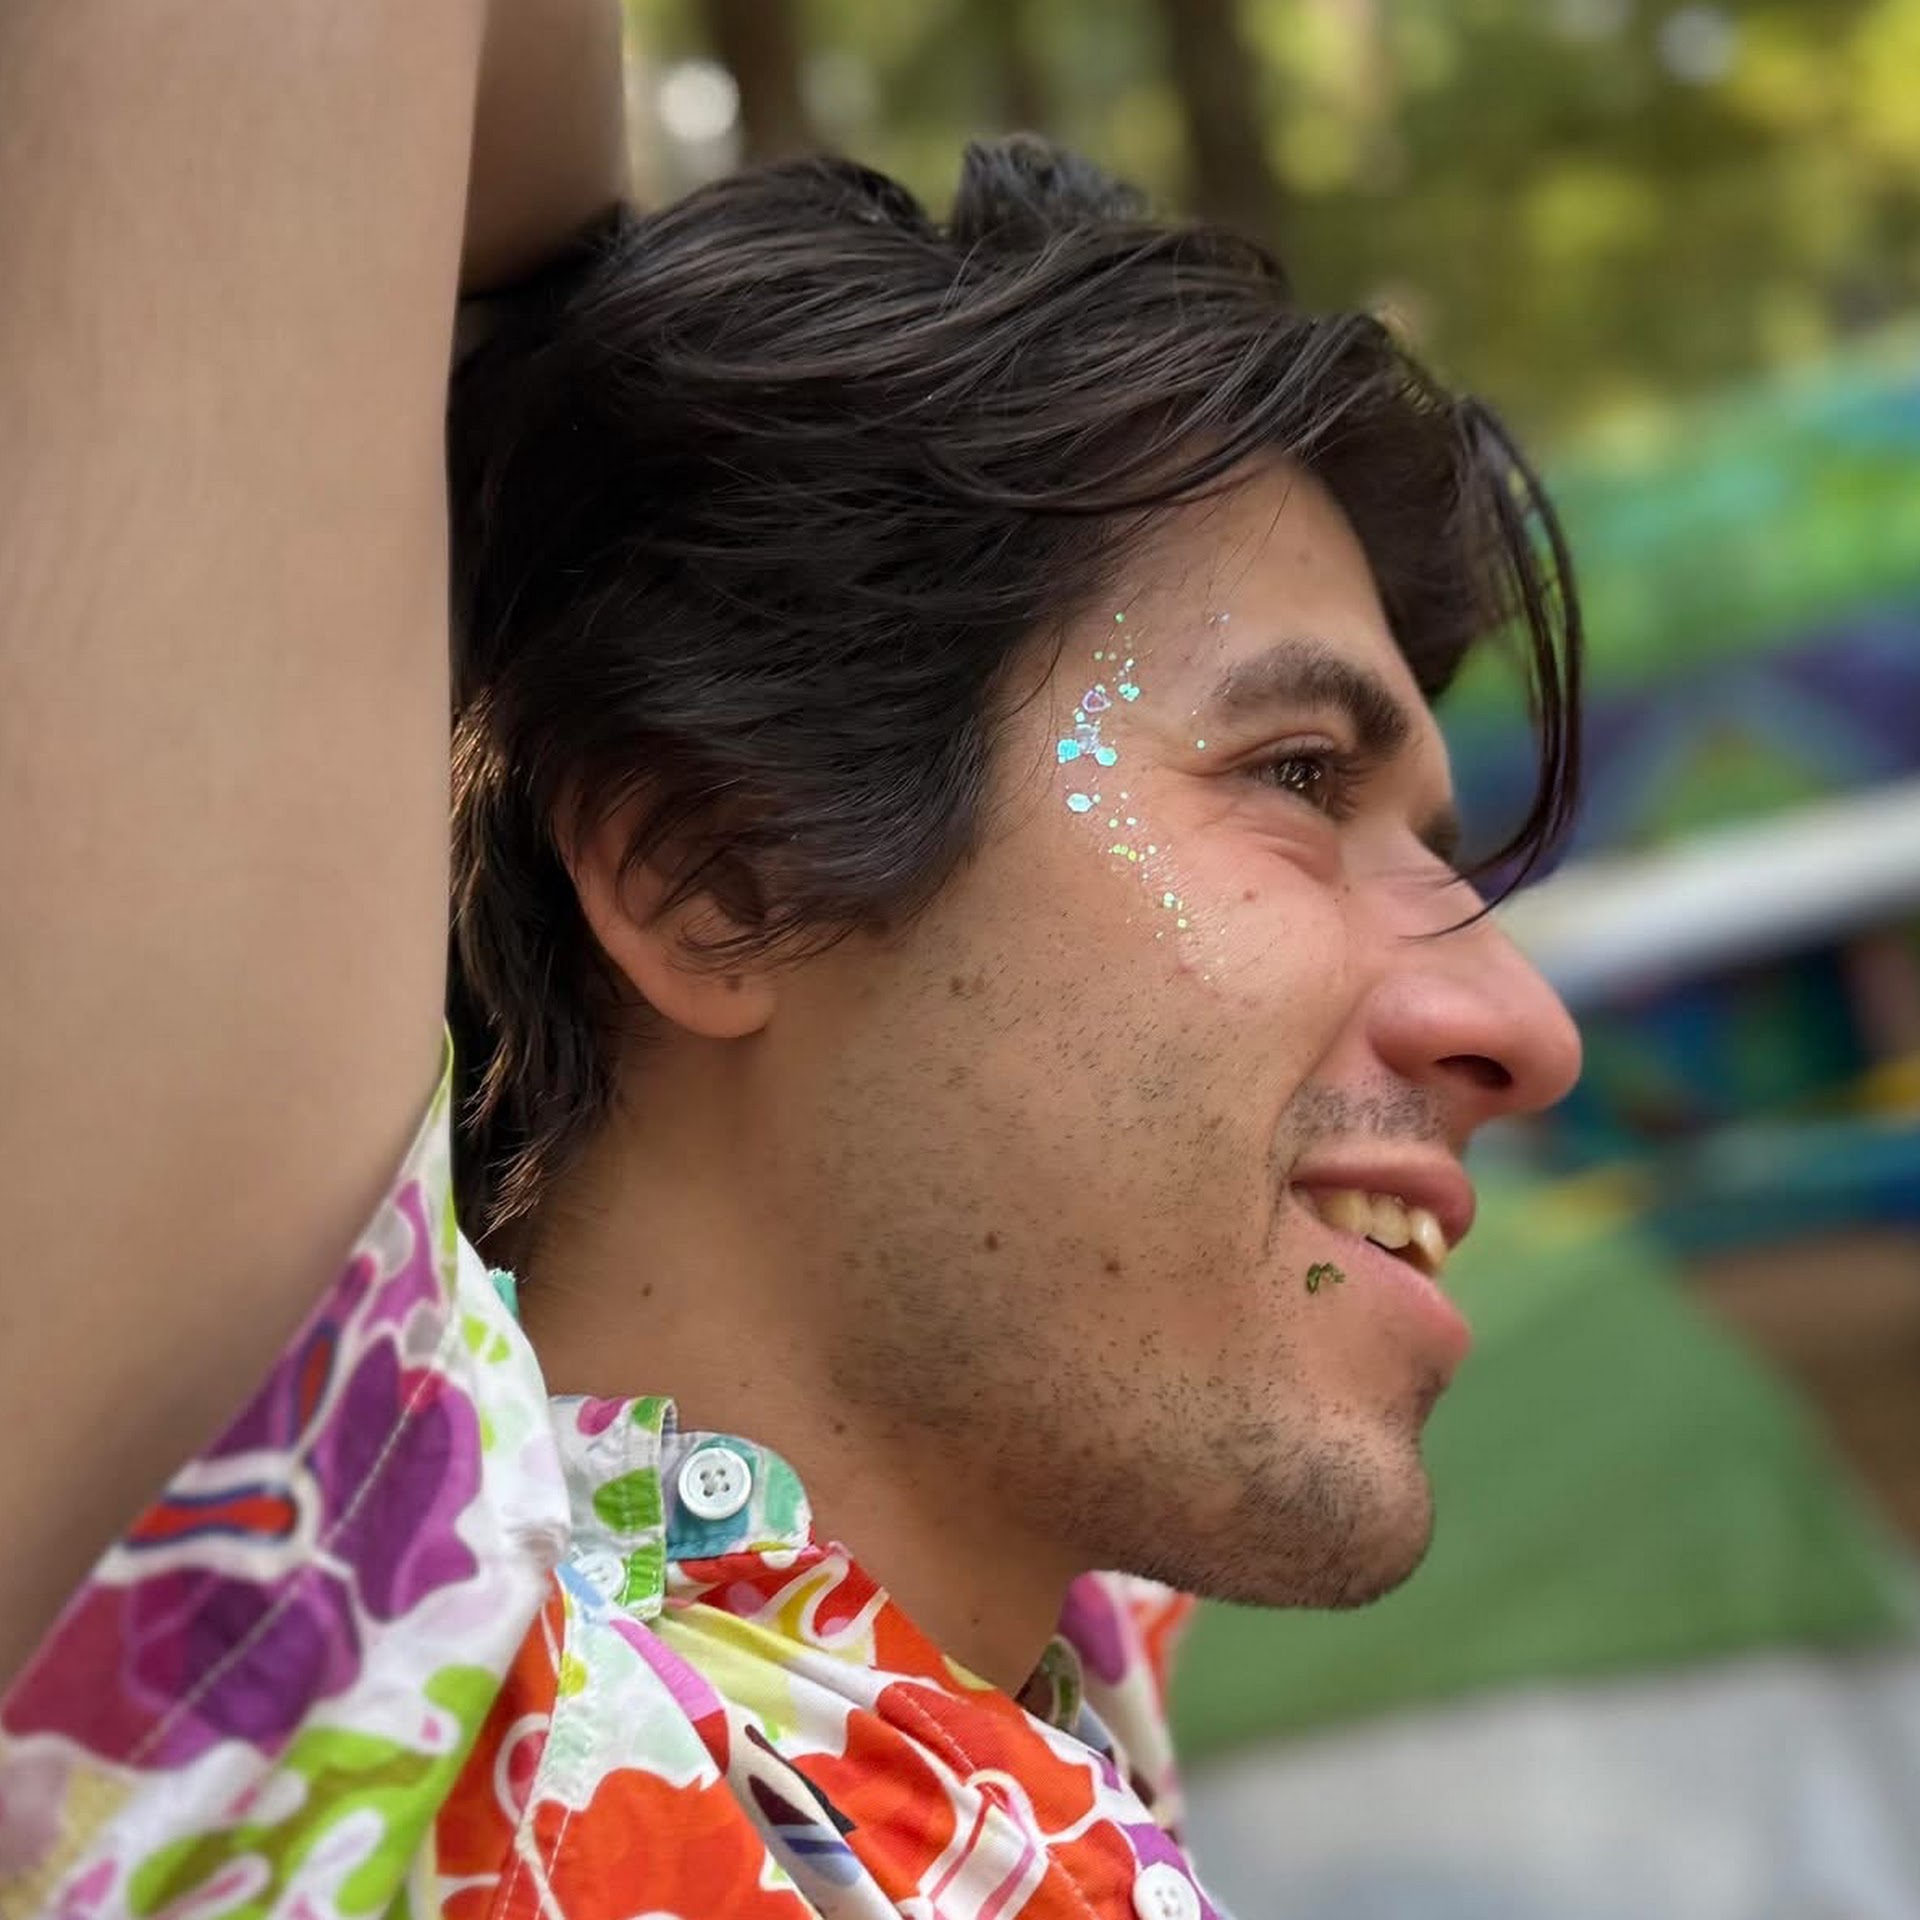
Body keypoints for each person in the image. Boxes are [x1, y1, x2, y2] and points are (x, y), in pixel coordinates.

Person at [0, 4, 1583, 1915]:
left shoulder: (1036, 1647)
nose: (1526, 1025)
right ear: (716, 875)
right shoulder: (330, 1695)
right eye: (1297, 777)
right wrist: (555, 338)